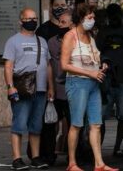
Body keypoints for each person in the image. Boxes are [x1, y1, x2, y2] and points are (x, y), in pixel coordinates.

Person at [61, 3, 118, 171]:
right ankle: (72, 163)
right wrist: (90, 74)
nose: (92, 20)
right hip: (77, 83)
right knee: (77, 124)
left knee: (96, 124)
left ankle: (99, 163)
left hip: (94, 83)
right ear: (80, 19)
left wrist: (101, 66)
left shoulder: (91, 37)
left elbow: (95, 59)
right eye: (89, 17)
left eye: (93, 17)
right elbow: (64, 65)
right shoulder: (70, 36)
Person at [3, 8, 54, 170]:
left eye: (35, 18)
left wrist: (50, 87)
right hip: (22, 89)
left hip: (40, 90)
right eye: (28, 18)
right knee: (19, 124)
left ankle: (36, 157)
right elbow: (8, 66)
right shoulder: (13, 41)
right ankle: (17, 159)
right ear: (21, 21)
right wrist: (10, 87)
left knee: (36, 125)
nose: (32, 21)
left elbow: (48, 66)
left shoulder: (42, 41)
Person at [96, 3, 123, 156]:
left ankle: (115, 148)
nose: (114, 18)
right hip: (107, 80)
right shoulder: (103, 33)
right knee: (101, 117)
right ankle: (106, 149)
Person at [38, 11, 73, 165]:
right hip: (55, 90)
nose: (60, 25)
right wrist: (50, 87)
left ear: (72, 24)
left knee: (75, 124)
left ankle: (75, 155)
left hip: (73, 90)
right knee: (50, 124)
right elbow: (48, 66)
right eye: (59, 22)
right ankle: (48, 154)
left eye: (64, 22)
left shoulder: (77, 40)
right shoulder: (51, 42)